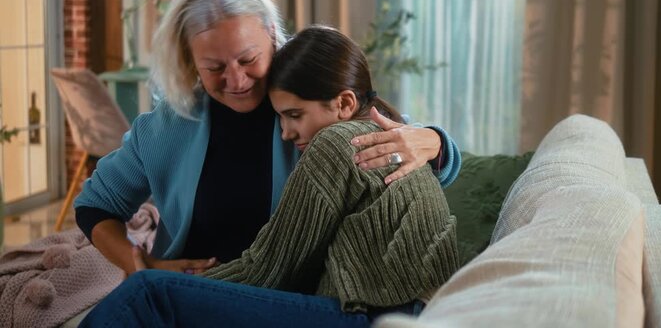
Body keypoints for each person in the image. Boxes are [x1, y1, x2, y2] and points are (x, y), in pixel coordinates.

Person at [75, 0, 460, 277]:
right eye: (214, 68)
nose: (237, 80)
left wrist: (434, 142)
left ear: (272, 35)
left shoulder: (309, 106)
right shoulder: (164, 129)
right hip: (191, 288)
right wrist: (140, 265)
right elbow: (95, 205)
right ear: (190, 61)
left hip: (282, 295)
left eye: (247, 60)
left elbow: (399, 152)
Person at [80, 25, 459, 328]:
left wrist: (175, 282)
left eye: (294, 115)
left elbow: (270, 268)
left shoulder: (340, 145)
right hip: (403, 309)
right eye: (213, 66)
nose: (285, 133)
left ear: (344, 103)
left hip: (375, 315)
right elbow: (96, 203)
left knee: (148, 294)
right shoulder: (375, 131)